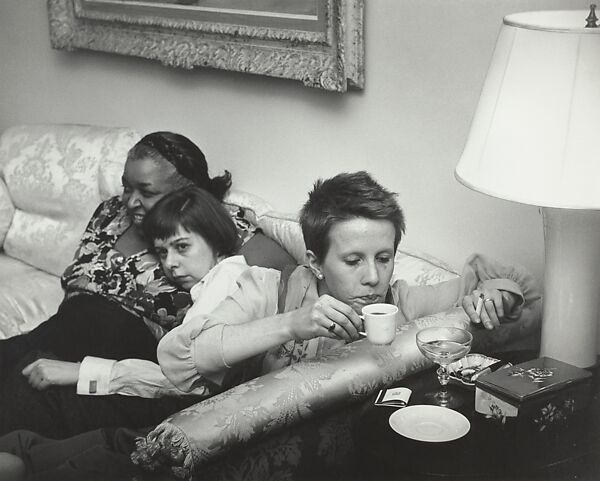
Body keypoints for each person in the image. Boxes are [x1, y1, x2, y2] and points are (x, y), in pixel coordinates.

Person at [0, 171, 540, 480]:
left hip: (299, 460)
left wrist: (502, 292)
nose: (373, 277)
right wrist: (293, 324)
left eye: (385, 256)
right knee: (56, 458)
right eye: (353, 261)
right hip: (201, 434)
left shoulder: (400, 301)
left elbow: (502, 294)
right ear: (314, 259)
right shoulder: (265, 288)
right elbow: (184, 357)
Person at [0, 131, 291, 437]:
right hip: (62, 330)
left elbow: (289, 277)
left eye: (147, 191)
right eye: (127, 186)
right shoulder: (112, 213)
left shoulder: (213, 224)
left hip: (124, 349)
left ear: (187, 191)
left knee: (25, 382)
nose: (131, 200)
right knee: (18, 361)